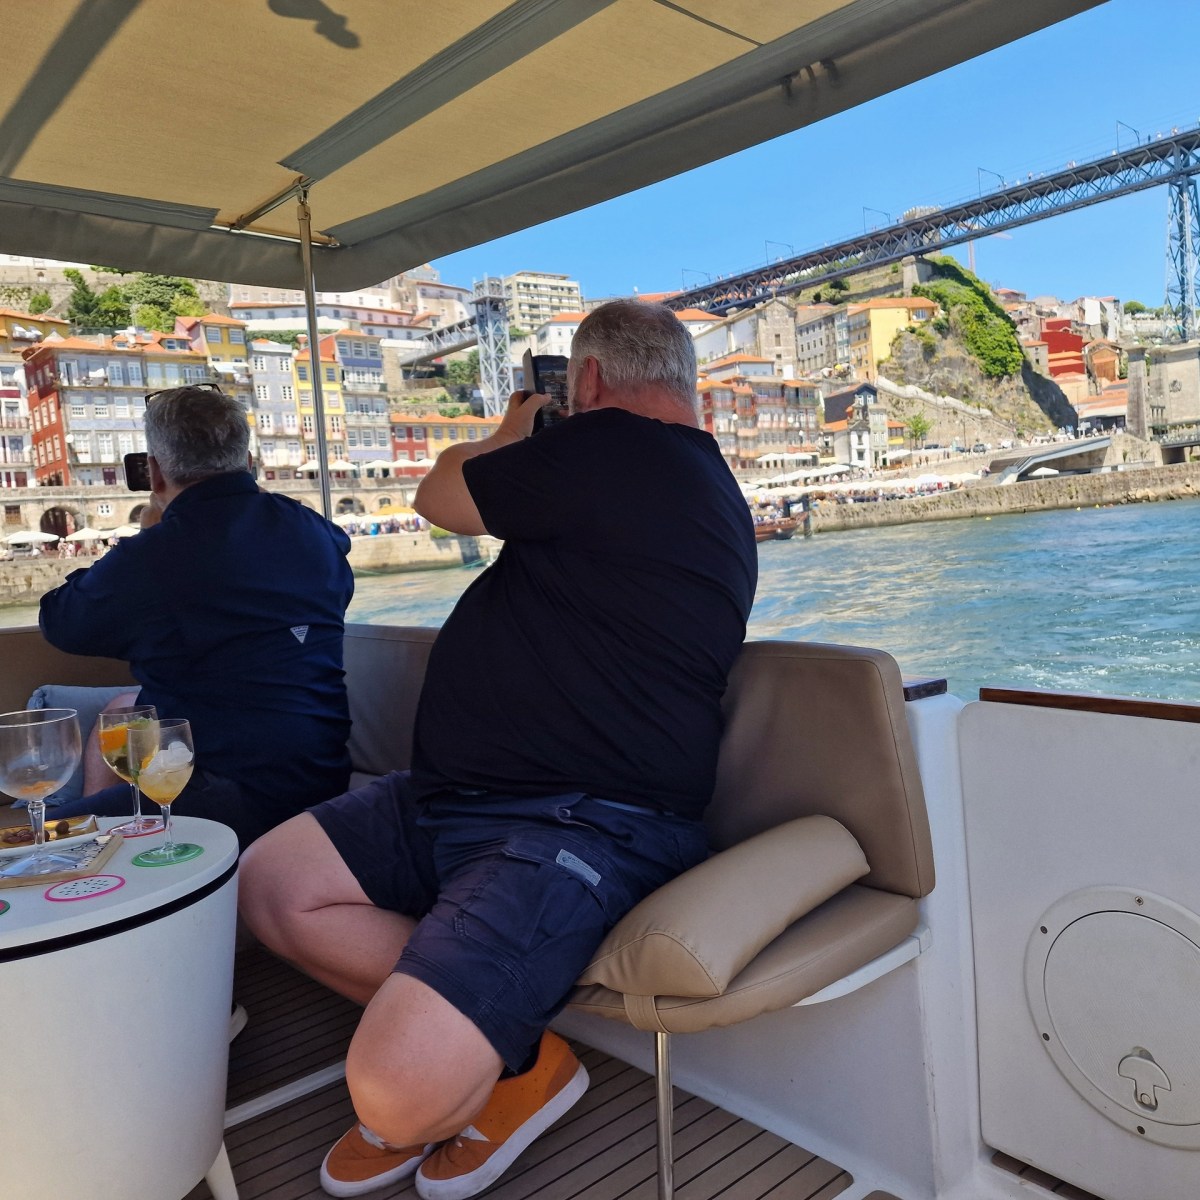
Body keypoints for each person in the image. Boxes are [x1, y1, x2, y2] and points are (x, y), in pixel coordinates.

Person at [238, 299, 758, 1200]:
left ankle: (478, 1041)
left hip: (583, 819)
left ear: (588, 381)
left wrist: (508, 429)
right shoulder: (677, 478)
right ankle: (515, 1048)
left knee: (395, 1098)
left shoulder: (613, 448)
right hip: (451, 796)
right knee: (269, 881)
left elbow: (438, 496)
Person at [40, 383, 355, 850]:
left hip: (215, 791)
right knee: (123, 708)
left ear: (154, 471)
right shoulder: (319, 534)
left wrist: (147, 533)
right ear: (248, 461)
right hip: (320, 777)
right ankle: (111, 836)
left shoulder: (157, 554)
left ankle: (100, 847)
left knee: (28, 843)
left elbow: (62, 621)